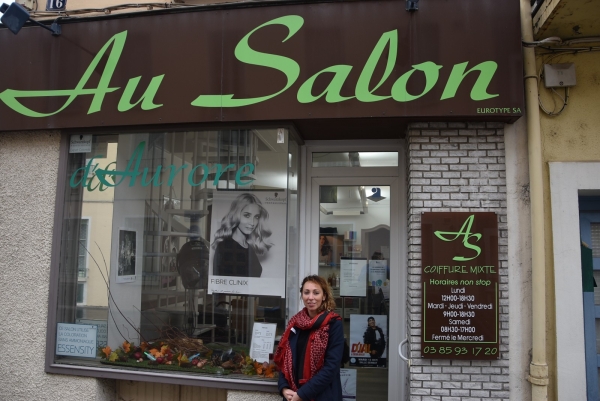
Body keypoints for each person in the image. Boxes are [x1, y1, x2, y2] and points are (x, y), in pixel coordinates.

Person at [275, 275, 344, 401]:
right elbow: (284, 360)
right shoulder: (295, 323)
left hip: (322, 396)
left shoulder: (333, 324)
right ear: (302, 295)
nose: (311, 297)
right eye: (306, 292)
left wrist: (302, 394)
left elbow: (331, 368)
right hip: (293, 395)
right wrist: (284, 388)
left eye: (316, 293)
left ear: (324, 296)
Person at [211, 193, 272, 277]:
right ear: (236, 215)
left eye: (256, 217)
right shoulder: (225, 246)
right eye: (247, 215)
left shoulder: (249, 247)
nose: (252, 222)